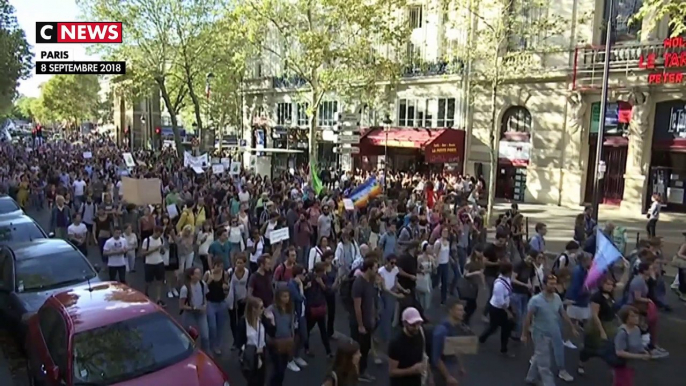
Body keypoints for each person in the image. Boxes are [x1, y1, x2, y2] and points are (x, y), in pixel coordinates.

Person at [522, 274, 577, 385]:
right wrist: (524, 334)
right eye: (551, 283)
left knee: (539, 356)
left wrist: (572, 326)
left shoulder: (557, 298)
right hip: (540, 334)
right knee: (544, 364)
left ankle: (530, 378)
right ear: (544, 285)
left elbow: (562, 312)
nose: (553, 286)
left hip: (553, 331)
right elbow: (527, 318)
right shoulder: (535, 300)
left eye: (555, 283)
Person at [478, 262, 516, 356]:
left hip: (502, 307)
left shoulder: (506, 279)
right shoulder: (499, 284)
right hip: (497, 309)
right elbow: (500, 301)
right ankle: (503, 349)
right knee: (501, 327)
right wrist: (508, 312)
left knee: (496, 327)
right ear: (508, 272)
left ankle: (483, 338)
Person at [351, 258, 379, 382]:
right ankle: (360, 372)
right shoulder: (359, 283)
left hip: (368, 320)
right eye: (375, 268)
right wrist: (360, 325)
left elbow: (370, 301)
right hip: (360, 323)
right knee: (360, 349)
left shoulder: (369, 281)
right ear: (369, 268)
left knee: (366, 348)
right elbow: (357, 306)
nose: (377, 270)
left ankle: (360, 370)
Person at [613, 306, 653, 386]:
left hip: (631, 365)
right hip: (622, 365)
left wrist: (643, 351)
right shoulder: (622, 333)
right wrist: (639, 356)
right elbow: (619, 352)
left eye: (637, 315)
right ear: (626, 318)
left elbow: (637, 344)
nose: (636, 318)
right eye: (633, 316)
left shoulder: (636, 329)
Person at [431, 299, 467, 386]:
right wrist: (447, 377)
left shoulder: (456, 327)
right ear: (451, 311)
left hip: (451, 369)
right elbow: (436, 358)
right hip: (441, 372)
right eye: (459, 310)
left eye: (462, 310)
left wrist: (460, 366)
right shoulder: (441, 331)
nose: (463, 312)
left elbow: (456, 348)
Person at [388, 307, 427, 386]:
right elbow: (392, 372)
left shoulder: (420, 333)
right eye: (412, 325)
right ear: (404, 323)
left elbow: (423, 355)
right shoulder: (396, 343)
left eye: (418, 323)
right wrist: (411, 370)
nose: (416, 327)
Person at [264, 288, 296, 384]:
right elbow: (267, 325)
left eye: (287, 296)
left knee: (283, 368)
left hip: (287, 341)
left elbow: (291, 324)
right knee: (278, 369)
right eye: (284, 296)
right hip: (275, 342)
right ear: (278, 297)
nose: (286, 299)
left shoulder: (290, 308)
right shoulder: (272, 309)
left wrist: (292, 336)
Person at [236, 297, 267, 386]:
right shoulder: (243, 322)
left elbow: (272, 331)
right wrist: (250, 349)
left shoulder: (262, 319)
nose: (263, 309)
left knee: (261, 380)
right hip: (250, 355)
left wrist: (271, 320)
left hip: (262, 353)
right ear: (253, 309)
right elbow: (239, 341)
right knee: (252, 381)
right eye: (261, 307)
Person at [304, 262, 332, 357]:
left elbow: (328, 291)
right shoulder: (309, 277)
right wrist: (307, 286)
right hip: (311, 307)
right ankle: (306, 348)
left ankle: (328, 351)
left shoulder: (323, 278)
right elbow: (304, 290)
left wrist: (322, 284)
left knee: (323, 330)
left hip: (320, 306)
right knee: (307, 329)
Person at [179, 267, 210, 351]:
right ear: (191, 276)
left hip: (201, 313)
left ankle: (205, 353)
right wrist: (193, 308)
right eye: (197, 273)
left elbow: (205, 298)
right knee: (189, 336)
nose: (200, 275)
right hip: (189, 314)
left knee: (205, 336)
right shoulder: (185, 289)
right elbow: (181, 306)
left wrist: (205, 306)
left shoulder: (203, 284)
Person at [203, 257, 229, 356]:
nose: (219, 268)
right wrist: (209, 281)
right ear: (214, 265)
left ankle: (217, 346)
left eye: (221, 266)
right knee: (212, 326)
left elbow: (227, 287)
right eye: (218, 266)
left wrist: (226, 287)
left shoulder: (225, 274)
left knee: (220, 326)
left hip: (221, 302)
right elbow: (202, 287)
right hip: (211, 303)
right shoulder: (208, 274)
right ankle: (210, 345)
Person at [286, 265, 309, 371]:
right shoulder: (292, 285)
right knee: (293, 338)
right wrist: (300, 286)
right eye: (303, 274)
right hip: (294, 315)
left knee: (303, 336)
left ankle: (296, 355)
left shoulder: (298, 283)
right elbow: (299, 298)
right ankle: (289, 360)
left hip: (301, 313)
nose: (305, 276)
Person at [228, 253, 250, 350]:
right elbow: (227, 285)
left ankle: (242, 340)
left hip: (243, 300)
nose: (239, 265)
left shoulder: (248, 273)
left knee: (242, 321)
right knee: (233, 321)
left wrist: (247, 298)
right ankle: (235, 341)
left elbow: (249, 286)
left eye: (241, 263)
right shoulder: (230, 272)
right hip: (232, 300)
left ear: (245, 264)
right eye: (237, 263)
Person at [141, 226, 166, 306]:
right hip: (149, 263)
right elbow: (143, 253)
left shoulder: (161, 240)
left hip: (159, 262)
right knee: (148, 281)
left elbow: (162, 252)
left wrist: (162, 250)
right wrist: (154, 249)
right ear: (154, 231)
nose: (159, 235)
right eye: (158, 233)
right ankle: (146, 293)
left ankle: (158, 298)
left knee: (159, 281)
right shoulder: (147, 241)